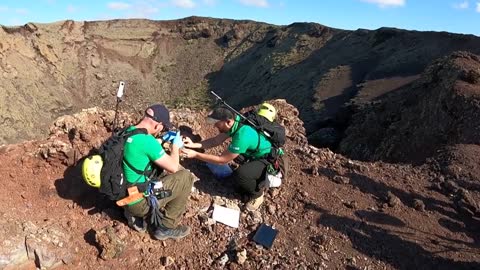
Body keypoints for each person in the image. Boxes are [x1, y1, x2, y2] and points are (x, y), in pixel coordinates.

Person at [181, 104, 278, 211]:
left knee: (241, 175)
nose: (215, 126)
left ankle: (257, 195)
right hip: (256, 153)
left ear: (228, 122)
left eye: (217, 124)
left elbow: (222, 160)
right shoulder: (236, 122)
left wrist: (195, 154)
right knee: (236, 156)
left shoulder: (242, 135)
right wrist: (193, 145)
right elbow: (215, 141)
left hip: (268, 160)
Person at [122, 104, 195, 240]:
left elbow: (142, 147)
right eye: (162, 128)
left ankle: (131, 213)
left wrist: (161, 140)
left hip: (123, 192)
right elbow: (173, 167)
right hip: (139, 201)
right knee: (186, 177)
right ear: (158, 125)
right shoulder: (148, 142)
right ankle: (166, 227)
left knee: (155, 169)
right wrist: (175, 147)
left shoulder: (127, 131)